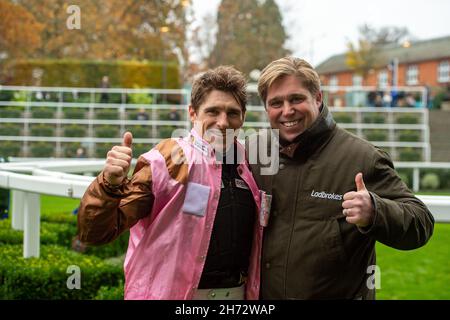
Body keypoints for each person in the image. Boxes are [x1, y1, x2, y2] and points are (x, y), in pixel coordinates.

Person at [247, 57, 434, 300]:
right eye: (276, 103)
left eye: (296, 99)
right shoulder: (253, 151)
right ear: (266, 108)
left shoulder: (363, 158)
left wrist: (375, 211)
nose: (287, 111)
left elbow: (421, 223)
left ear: (318, 98)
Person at [77, 66, 264, 300]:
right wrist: (108, 184)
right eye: (213, 111)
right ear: (193, 113)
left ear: (243, 117)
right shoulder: (166, 160)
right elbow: (94, 233)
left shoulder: (250, 165)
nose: (223, 122)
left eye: (232, 113)